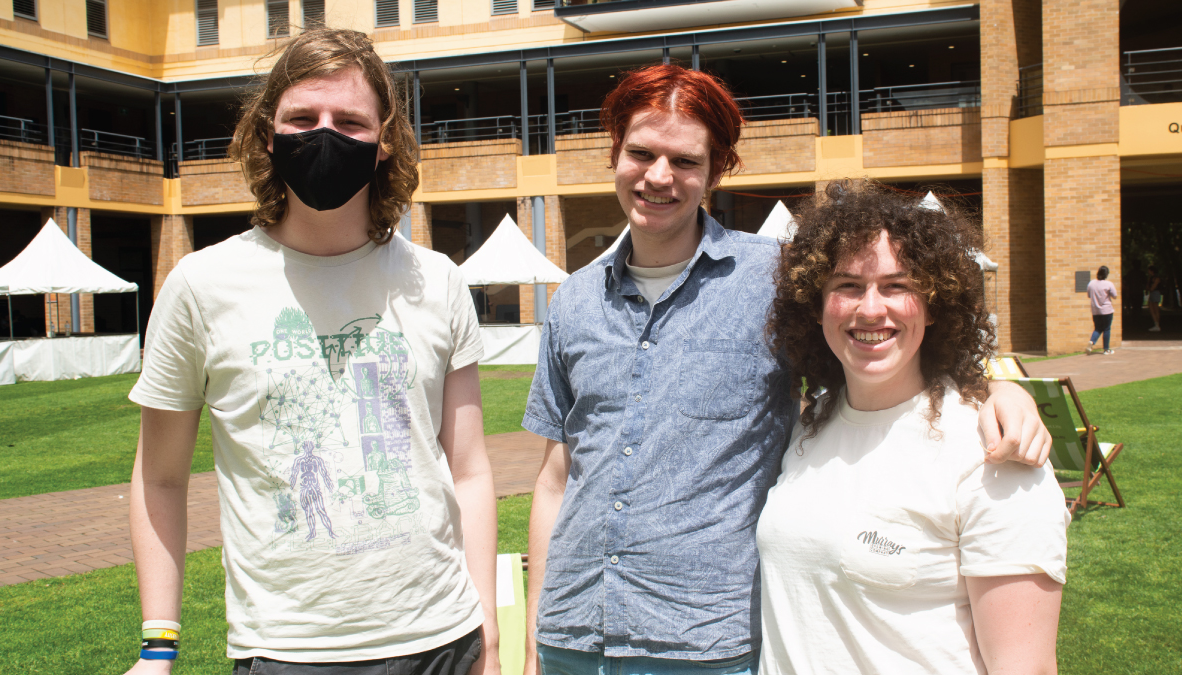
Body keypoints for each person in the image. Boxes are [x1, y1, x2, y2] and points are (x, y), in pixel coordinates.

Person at [521, 64, 1053, 675]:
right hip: (572, 635)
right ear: (615, 153)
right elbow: (556, 478)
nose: (659, 176)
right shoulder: (574, 301)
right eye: (641, 153)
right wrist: (539, 632)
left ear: (716, 171)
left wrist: (995, 391)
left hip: (704, 642)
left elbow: (877, 338)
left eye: (686, 161)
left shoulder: (774, 279)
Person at [124, 28, 499, 675]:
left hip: (443, 638)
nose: (324, 134)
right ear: (268, 133)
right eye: (303, 117)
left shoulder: (436, 280)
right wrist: (158, 646)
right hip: (289, 651)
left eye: (349, 120)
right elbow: (159, 475)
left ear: (383, 143)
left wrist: (487, 630)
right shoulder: (200, 286)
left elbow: (469, 469)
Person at [758, 180, 1068, 675]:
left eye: (897, 285)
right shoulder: (808, 429)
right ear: (816, 309)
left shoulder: (995, 457)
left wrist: (997, 392)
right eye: (847, 285)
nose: (871, 308)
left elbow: (1024, 666)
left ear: (933, 303)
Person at [1086, 265, 1117, 354]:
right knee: (1106, 329)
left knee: (1098, 328)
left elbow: (1089, 295)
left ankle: (1092, 341)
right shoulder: (1108, 284)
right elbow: (1114, 296)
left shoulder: (1091, 283)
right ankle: (1106, 349)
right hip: (1107, 310)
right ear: (1106, 274)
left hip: (1095, 311)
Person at [1146, 265, 1162, 332]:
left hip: (1155, 293)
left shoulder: (1156, 278)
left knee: (1155, 309)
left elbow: (1153, 287)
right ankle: (1156, 324)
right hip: (1153, 293)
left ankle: (1157, 324)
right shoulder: (1151, 278)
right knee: (1153, 308)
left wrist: (1149, 289)